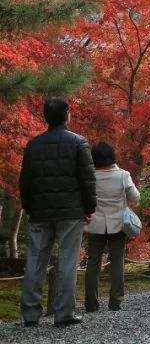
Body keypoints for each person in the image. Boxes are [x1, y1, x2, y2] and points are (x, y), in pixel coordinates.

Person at [18, 97, 96, 327]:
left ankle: (30, 313)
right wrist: (89, 207)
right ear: (67, 115)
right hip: (70, 212)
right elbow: (87, 179)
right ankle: (63, 313)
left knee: (35, 260)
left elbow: (26, 180)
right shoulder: (78, 143)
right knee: (67, 261)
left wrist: (28, 206)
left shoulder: (34, 144)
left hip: (40, 212)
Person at [84, 142, 140, 312]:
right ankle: (115, 301)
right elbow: (135, 196)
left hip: (95, 224)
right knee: (116, 262)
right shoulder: (123, 175)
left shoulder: (90, 176)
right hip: (118, 225)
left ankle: (91, 303)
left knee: (93, 263)